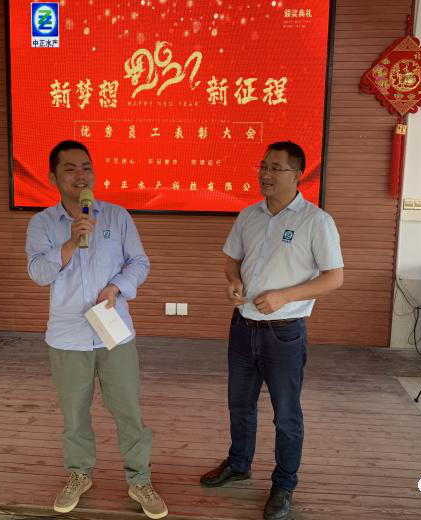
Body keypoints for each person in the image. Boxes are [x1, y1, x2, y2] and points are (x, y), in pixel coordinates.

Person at [200, 141, 344, 520]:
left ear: (298, 175)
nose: (265, 174)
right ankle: (238, 463)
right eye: (263, 166)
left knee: (287, 415)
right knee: (239, 404)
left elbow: (334, 277)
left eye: (275, 168)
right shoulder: (249, 215)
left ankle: (284, 484)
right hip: (242, 328)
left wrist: (285, 296)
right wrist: (233, 282)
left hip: (284, 334)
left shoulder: (316, 221)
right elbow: (231, 261)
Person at [25, 140, 168, 519]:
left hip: (112, 329)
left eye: (86, 167)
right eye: (70, 168)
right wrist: (71, 242)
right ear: (53, 177)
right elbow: (38, 273)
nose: (81, 175)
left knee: (128, 411)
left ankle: (139, 479)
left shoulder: (118, 217)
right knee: (75, 415)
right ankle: (79, 474)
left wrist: (116, 287)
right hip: (67, 335)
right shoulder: (42, 223)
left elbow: (139, 262)